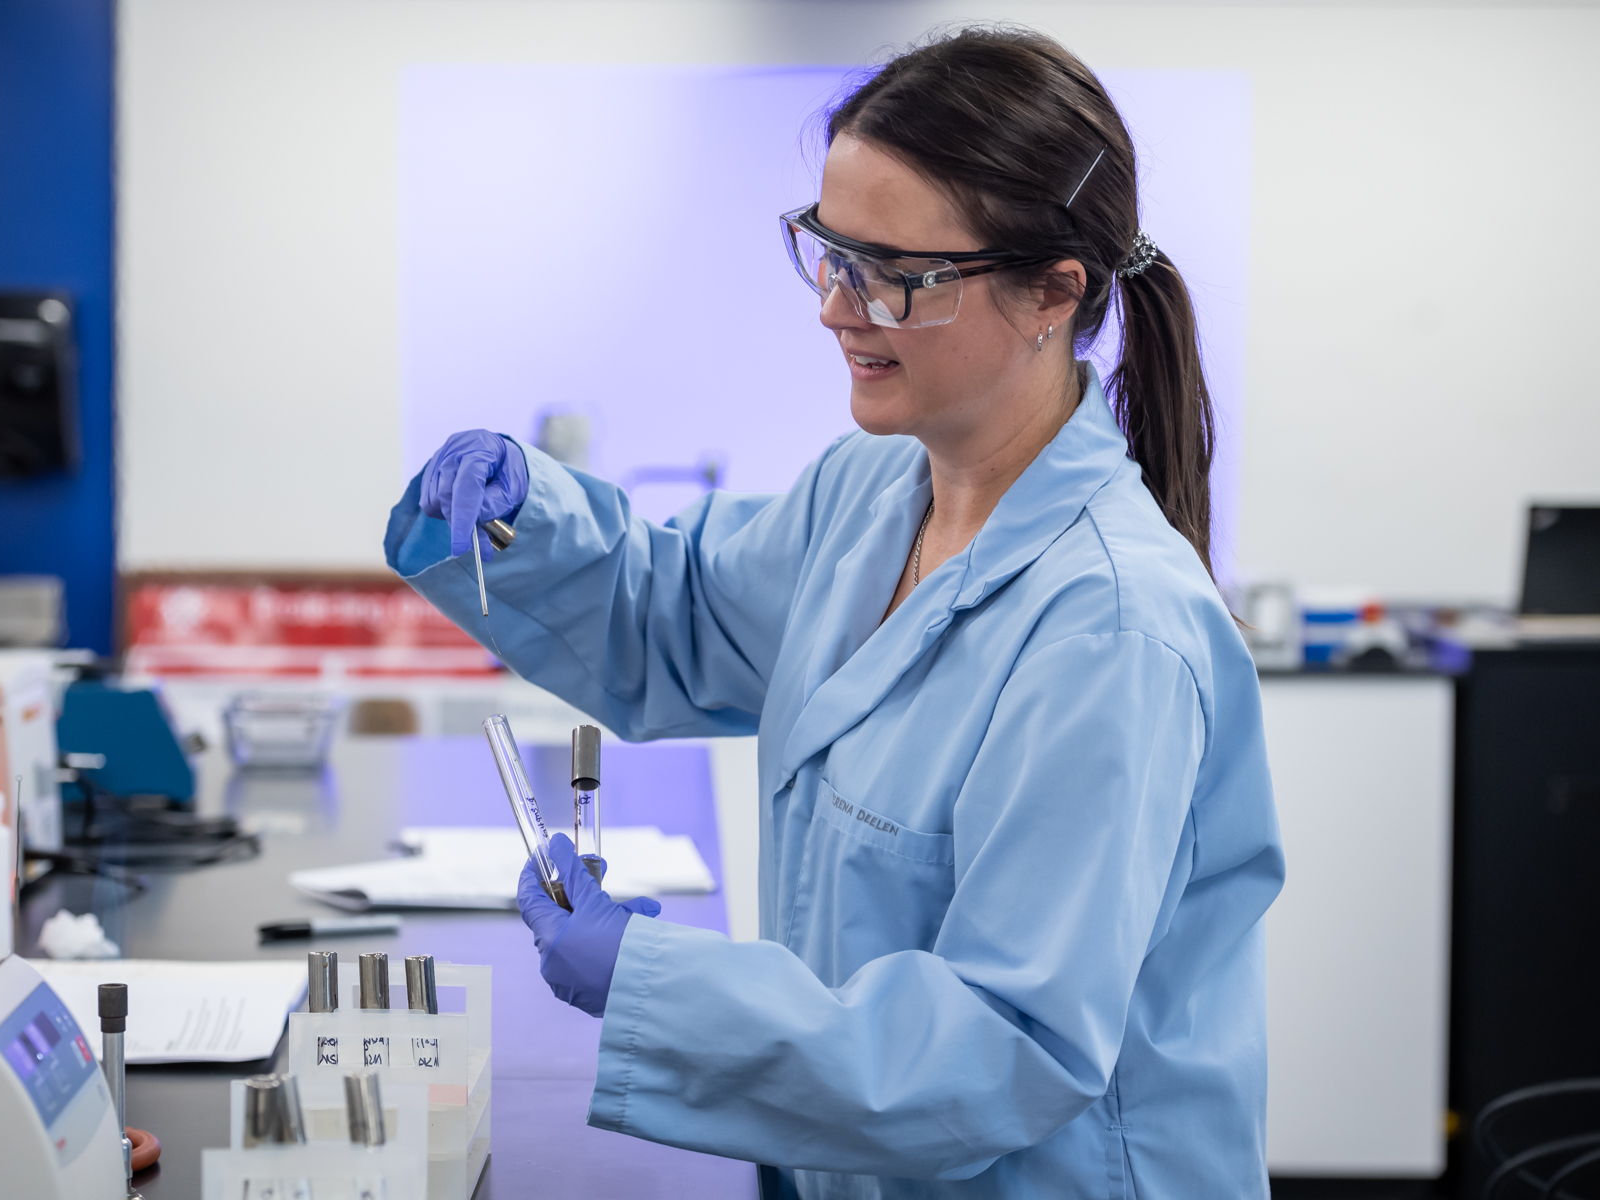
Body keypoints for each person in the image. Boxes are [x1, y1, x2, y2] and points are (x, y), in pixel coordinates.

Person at [384, 24, 1284, 1200]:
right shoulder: (872, 491)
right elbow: (679, 617)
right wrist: (524, 514)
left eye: (895, 276)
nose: (836, 309)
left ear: (1051, 295)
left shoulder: (1108, 632)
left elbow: (998, 1045)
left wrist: (654, 981)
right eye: (827, 249)